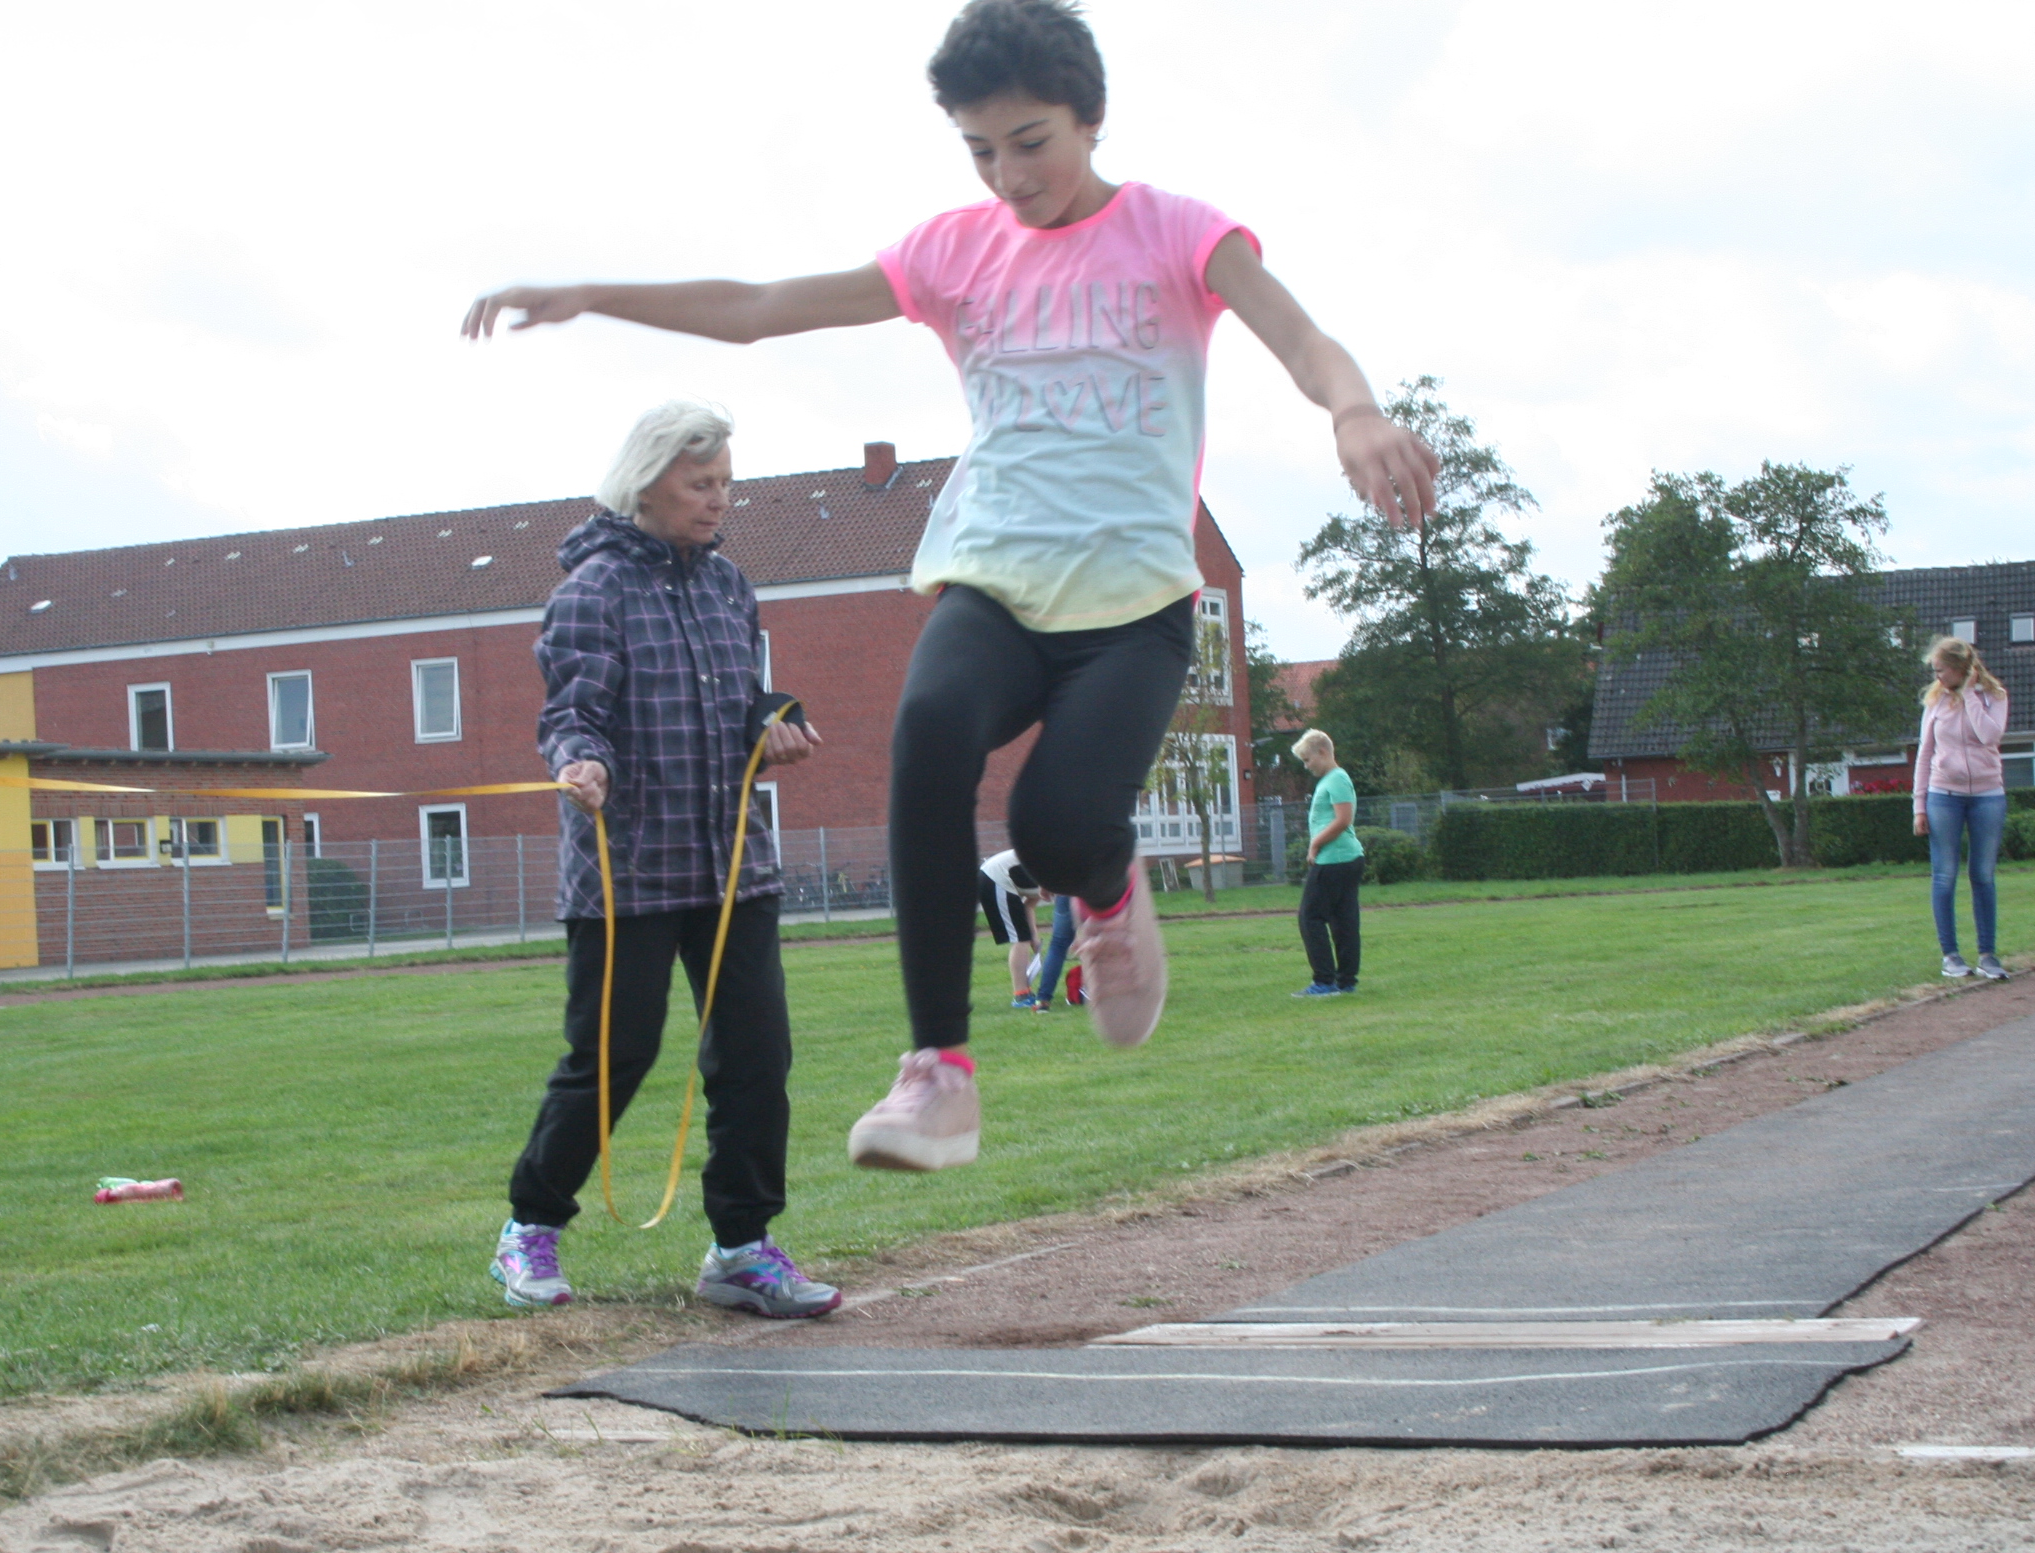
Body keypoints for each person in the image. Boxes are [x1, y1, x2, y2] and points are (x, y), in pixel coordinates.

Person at [463, 0, 1437, 1173]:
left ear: (1091, 118)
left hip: (1133, 606)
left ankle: (1109, 889)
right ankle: (940, 1074)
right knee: (926, 731)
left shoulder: (1180, 233)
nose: (1008, 175)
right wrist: (595, 293)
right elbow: (764, 307)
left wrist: (1354, 410)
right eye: (980, 150)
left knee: (1052, 826)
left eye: (1030, 142)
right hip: (994, 580)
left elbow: (1303, 337)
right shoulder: (956, 252)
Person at [492, 400, 842, 1320]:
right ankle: (529, 1228)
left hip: (734, 869)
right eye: (700, 483)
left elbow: (742, 701)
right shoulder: (592, 591)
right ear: (646, 485)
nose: (719, 499)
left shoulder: (728, 586)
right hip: (630, 870)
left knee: (756, 1058)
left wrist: (777, 722)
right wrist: (582, 762)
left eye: (726, 483)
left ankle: (741, 1250)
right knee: (614, 1055)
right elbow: (573, 710)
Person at [1912, 635, 2010, 981]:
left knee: (1982, 874)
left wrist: (1969, 695)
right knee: (1945, 875)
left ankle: (1988, 955)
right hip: (1943, 795)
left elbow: (1989, 736)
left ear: (1959, 668)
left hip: (1988, 795)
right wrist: (1919, 806)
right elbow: (1925, 753)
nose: (1937, 677)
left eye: (1941, 670)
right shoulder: (1935, 702)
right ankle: (1950, 956)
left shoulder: (1994, 697)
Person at [1291, 730, 1362, 997]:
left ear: (1322, 752)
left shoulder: (1337, 779)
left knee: (1310, 917)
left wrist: (1315, 844)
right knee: (1343, 920)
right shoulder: (1333, 780)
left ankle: (1324, 981)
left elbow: (1343, 820)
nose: (1306, 766)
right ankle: (1346, 981)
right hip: (1344, 859)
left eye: (1308, 760)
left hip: (1334, 859)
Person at [978, 849, 1043, 1008]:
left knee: (1023, 937)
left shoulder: (1053, 877)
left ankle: (1024, 992)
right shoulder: (1058, 875)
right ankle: (1021, 996)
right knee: (1020, 939)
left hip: (998, 877)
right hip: (995, 877)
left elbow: (1028, 906)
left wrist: (1034, 937)